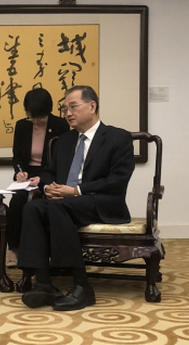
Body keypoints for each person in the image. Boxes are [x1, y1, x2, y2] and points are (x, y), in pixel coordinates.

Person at [18, 85, 135, 311]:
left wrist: (76, 191)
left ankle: (82, 286)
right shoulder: (64, 140)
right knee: (32, 208)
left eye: (73, 107)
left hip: (102, 201)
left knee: (57, 208)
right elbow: (49, 172)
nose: (68, 113)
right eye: (65, 109)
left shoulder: (117, 137)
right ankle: (43, 283)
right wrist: (48, 186)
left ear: (92, 106)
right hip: (66, 202)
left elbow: (117, 180)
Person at [6, 88, 69, 266]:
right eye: (32, 117)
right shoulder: (22, 126)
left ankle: (46, 250)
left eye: (40, 117)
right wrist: (20, 172)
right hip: (27, 176)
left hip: (50, 174)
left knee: (42, 204)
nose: (35, 121)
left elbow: (62, 158)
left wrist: (43, 178)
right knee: (17, 201)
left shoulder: (60, 125)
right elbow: (17, 157)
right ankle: (14, 247)